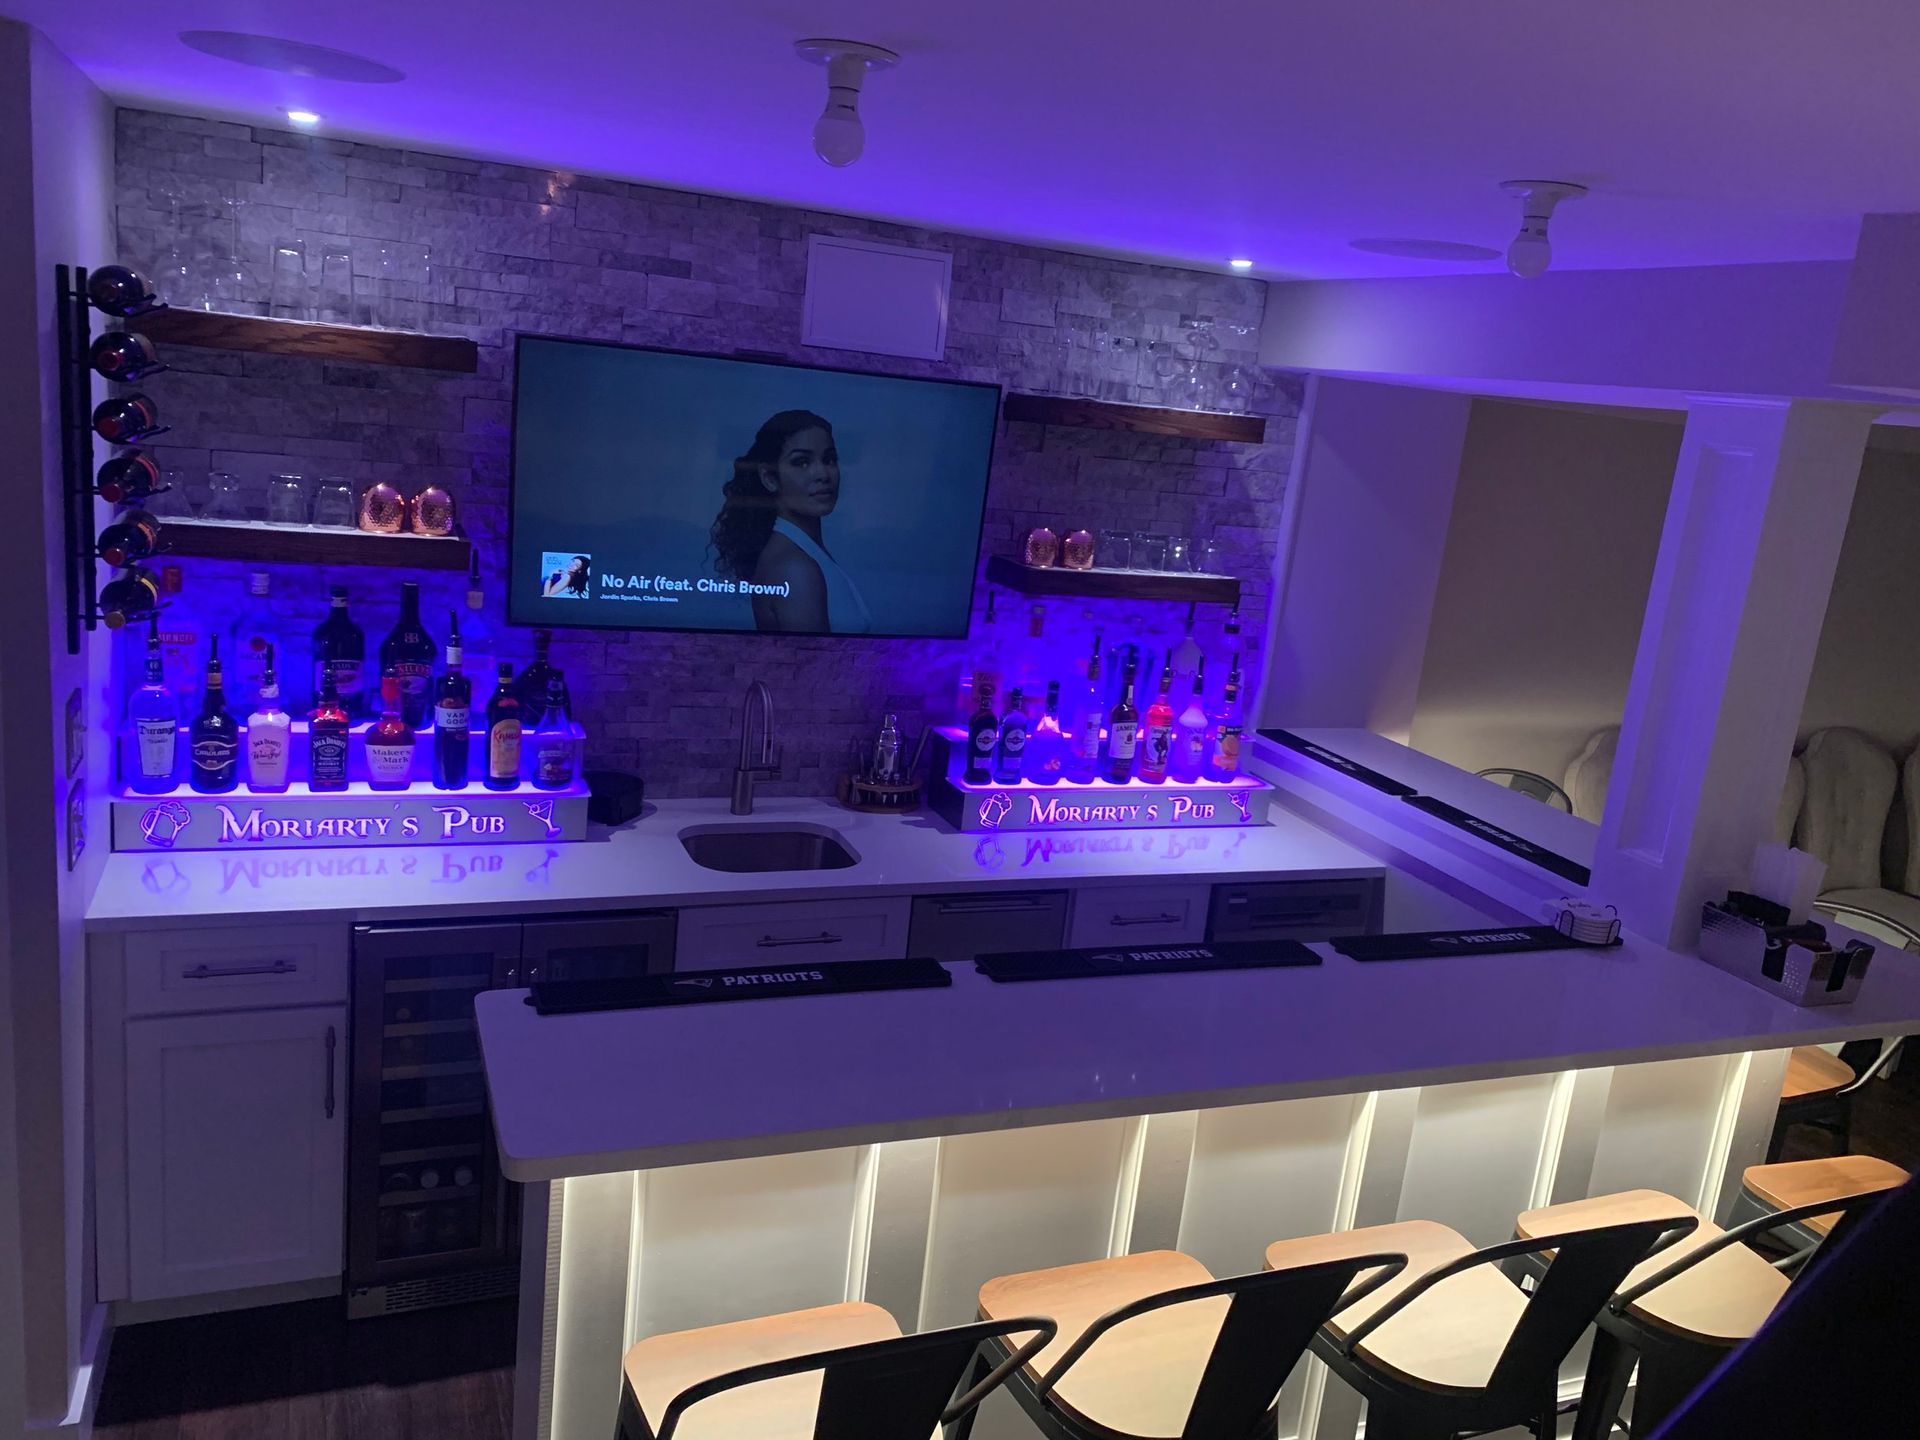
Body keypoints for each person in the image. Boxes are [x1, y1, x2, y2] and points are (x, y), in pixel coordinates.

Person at [709, 409, 873, 633]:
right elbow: (813, 665)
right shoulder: (795, 568)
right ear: (769, 478)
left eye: (829, 459)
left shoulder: (802, 551)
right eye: (802, 462)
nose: (823, 474)